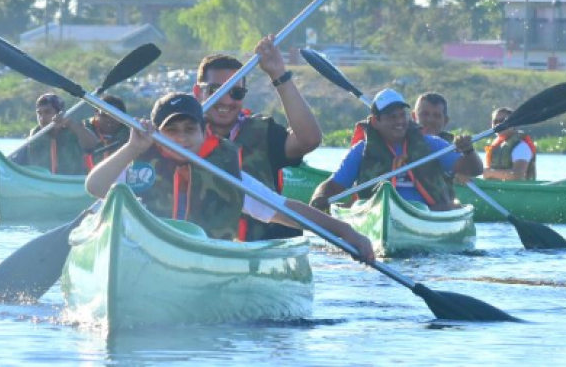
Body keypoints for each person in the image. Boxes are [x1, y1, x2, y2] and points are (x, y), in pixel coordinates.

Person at [85, 92, 374, 263]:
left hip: (203, 261)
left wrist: (346, 231)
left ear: (203, 132)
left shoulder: (225, 173)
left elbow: (284, 210)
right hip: (143, 257)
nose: (182, 139)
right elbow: (95, 186)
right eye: (171, 131)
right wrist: (133, 146)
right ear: (158, 134)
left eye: (189, 130)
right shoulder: (137, 161)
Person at [192, 35, 323, 241]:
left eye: (236, 92)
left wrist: (278, 74)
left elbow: (309, 139)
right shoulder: (178, 135)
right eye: (216, 90)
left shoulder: (263, 133)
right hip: (201, 245)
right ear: (198, 92)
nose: (226, 100)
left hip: (260, 249)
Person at [309, 89, 483, 212]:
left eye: (402, 115)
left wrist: (469, 151)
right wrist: (319, 198)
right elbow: (334, 185)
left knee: (450, 206)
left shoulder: (432, 144)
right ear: (375, 122)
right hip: (376, 213)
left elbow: (474, 169)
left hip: (427, 213)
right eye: (392, 117)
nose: (399, 122)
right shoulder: (361, 150)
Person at [412, 92, 472, 198]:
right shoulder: (401, 140)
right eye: (424, 114)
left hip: (441, 204)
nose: (430, 120)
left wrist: (463, 169)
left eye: (436, 116)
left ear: (445, 121)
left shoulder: (453, 148)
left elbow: (473, 169)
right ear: (414, 116)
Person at [24, 93, 99, 175]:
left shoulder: (74, 131)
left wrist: (69, 122)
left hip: (69, 184)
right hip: (43, 184)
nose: (42, 118)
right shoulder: (35, 135)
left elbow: (92, 144)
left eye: (47, 112)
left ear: (60, 113)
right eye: (39, 113)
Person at [483, 107, 537, 181]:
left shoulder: (521, 146)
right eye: (495, 121)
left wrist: (491, 173)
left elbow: (518, 175)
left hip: (519, 191)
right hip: (498, 191)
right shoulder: (496, 146)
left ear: (514, 123)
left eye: (502, 121)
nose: (498, 124)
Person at [83, 94, 130, 171]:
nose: (109, 119)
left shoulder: (131, 135)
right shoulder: (83, 129)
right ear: (96, 114)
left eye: (115, 115)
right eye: (104, 114)